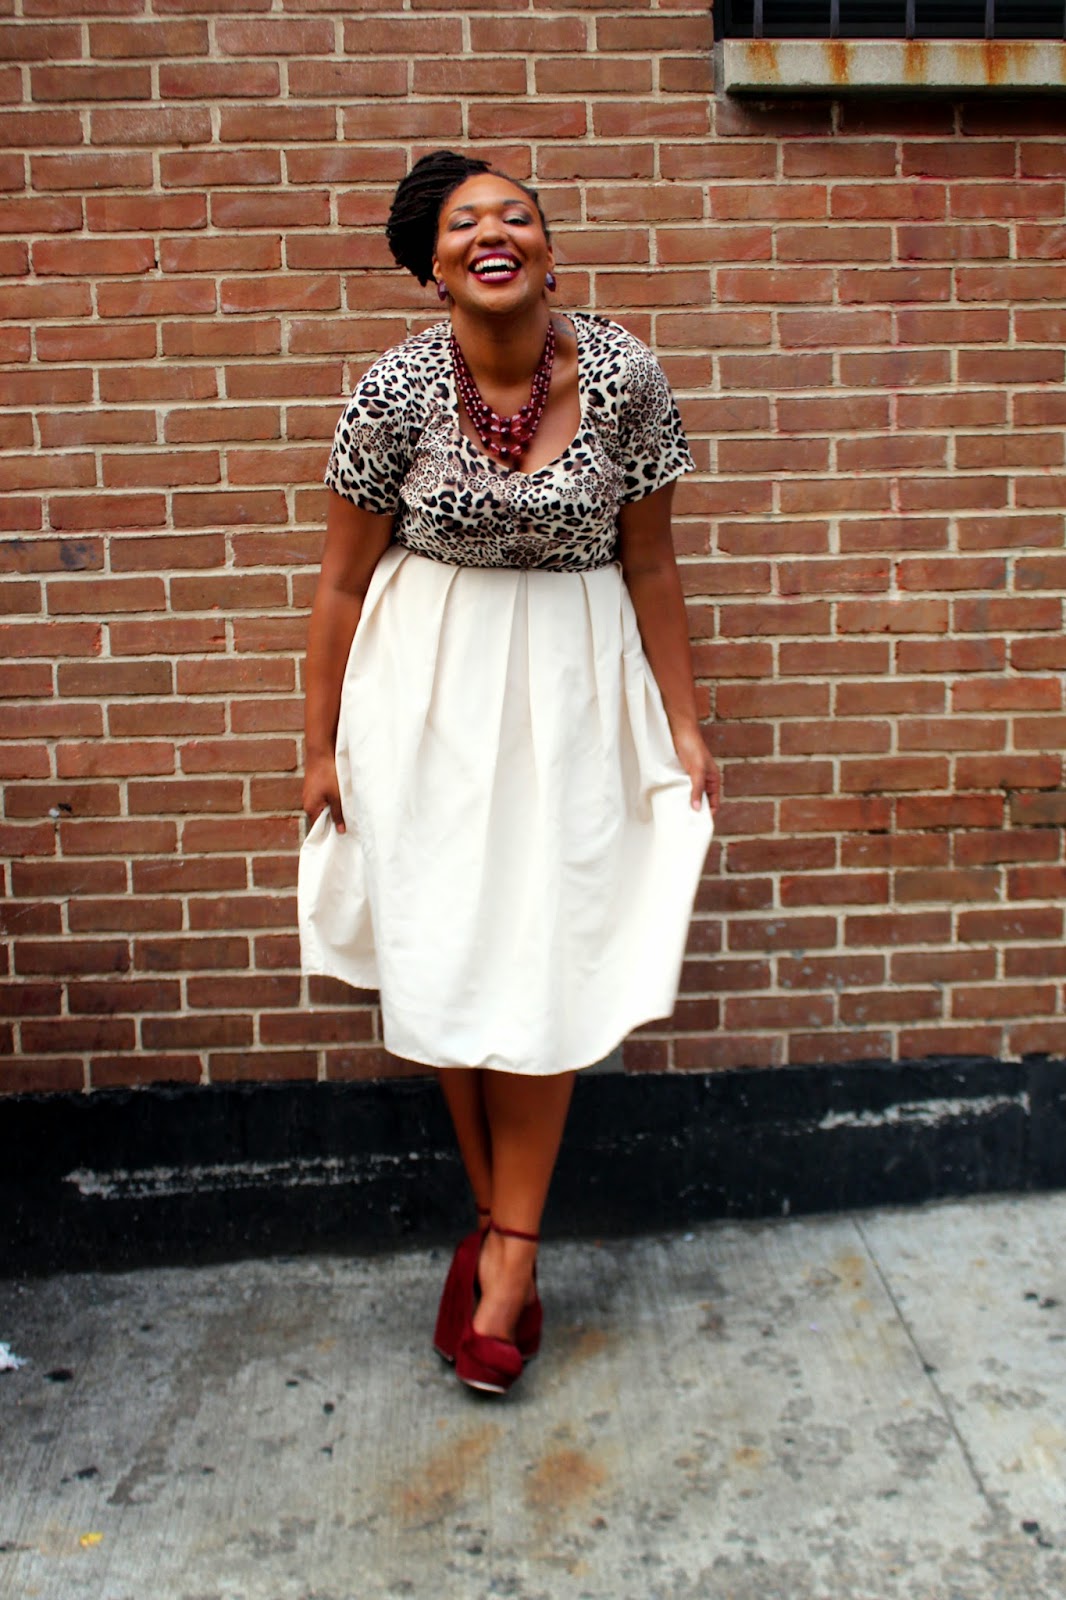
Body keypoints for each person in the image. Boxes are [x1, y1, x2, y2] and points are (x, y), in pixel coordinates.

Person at [298, 150, 719, 1396]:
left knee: (541, 956)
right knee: (450, 951)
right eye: (464, 222)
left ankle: (509, 1260)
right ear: (430, 268)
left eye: (517, 215)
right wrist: (318, 747)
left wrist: (684, 723)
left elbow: (651, 564)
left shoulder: (628, 375)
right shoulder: (392, 392)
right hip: (428, 689)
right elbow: (336, 582)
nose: (495, 231)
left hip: (579, 682)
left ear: (547, 248)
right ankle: (499, 1235)